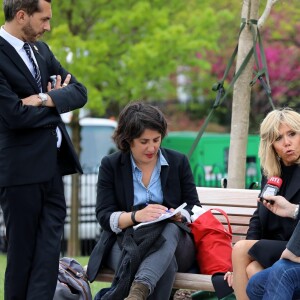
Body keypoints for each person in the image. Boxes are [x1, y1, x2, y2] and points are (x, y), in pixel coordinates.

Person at [0, 0, 87, 299]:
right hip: (19, 172)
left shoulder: (42, 51)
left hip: (53, 168)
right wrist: (55, 101)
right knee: (22, 256)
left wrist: (42, 99)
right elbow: (13, 115)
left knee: (48, 257)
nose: (48, 27)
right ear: (21, 15)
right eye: (44, 19)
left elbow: (79, 92)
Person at [87, 101, 201, 300]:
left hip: (174, 243)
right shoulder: (111, 165)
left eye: (156, 140)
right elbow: (104, 215)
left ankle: (139, 290)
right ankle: (139, 291)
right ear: (128, 140)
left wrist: (178, 216)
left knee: (170, 230)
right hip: (126, 242)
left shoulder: (178, 162)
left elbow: (194, 206)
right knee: (166, 265)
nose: (152, 147)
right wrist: (136, 216)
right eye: (144, 141)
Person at [227, 107, 300, 299]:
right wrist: (239, 266)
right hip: (275, 246)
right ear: (271, 145)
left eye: (292, 134)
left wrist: (240, 260)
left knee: (242, 250)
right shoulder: (271, 172)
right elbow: (259, 216)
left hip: (294, 247)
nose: (287, 143)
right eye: (278, 138)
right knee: (251, 269)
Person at [246, 196, 300, 299]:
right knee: (255, 284)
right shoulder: (269, 184)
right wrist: (293, 210)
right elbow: (256, 220)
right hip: (283, 246)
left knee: (282, 271)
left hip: (286, 245)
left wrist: (293, 250)